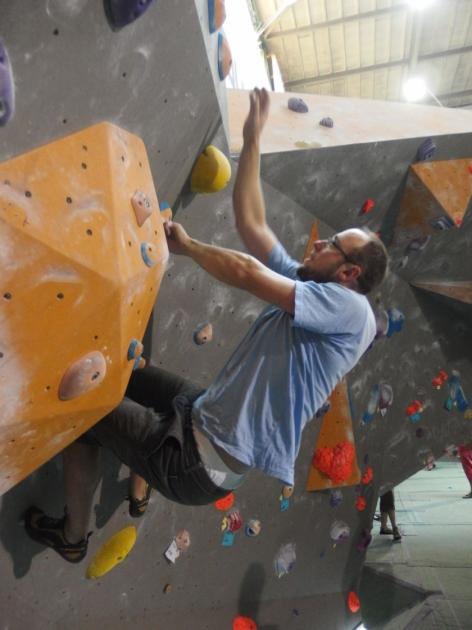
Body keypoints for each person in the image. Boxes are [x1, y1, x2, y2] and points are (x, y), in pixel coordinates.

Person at [25, 88, 388, 562]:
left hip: (198, 464)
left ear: (349, 272)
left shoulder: (354, 313)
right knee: (125, 373)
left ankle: (73, 537)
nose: (318, 245)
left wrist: (191, 247)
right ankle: (138, 480)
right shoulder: (315, 286)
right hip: (202, 414)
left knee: (86, 405)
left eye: (332, 244)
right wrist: (252, 140)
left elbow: (249, 273)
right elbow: (254, 226)